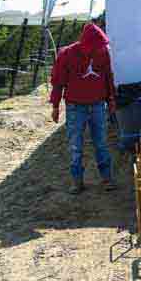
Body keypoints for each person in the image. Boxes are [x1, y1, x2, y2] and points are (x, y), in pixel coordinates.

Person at [50, 22, 118, 194]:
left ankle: (107, 178)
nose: (99, 49)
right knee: (76, 146)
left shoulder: (102, 54)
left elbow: (108, 77)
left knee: (101, 143)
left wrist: (111, 100)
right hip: (75, 107)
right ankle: (77, 181)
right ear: (86, 43)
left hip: (97, 105)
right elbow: (58, 82)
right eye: (96, 46)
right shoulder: (66, 55)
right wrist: (55, 106)